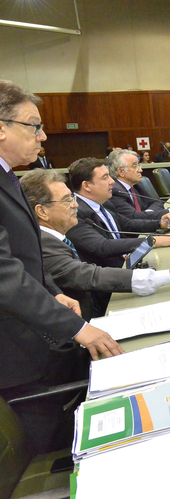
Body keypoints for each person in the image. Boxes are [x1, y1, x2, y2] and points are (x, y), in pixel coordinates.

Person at [0, 80, 122, 454]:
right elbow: (4, 274)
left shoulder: (9, 176)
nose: (43, 136)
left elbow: (26, 254)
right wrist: (78, 328)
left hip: (35, 335)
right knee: (55, 443)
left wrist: (54, 292)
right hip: (16, 355)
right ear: (1, 128)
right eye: (33, 126)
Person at [20, 169, 170, 320]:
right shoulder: (43, 244)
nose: (75, 205)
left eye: (72, 198)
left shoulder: (55, 236)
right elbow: (89, 275)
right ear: (42, 211)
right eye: (67, 200)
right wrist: (166, 276)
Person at [66, 158, 170, 270]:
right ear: (87, 186)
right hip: (110, 276)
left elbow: (127, 224)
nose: (112, 181)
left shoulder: (104, 203)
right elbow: (102, 246)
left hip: (129, 262)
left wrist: (160, 224)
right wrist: (152, 241)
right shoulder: (74, 213)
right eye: (105, 178)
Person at [107, 149, 170, 220]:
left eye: (139, 165)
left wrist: (147, 214)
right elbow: (135, 218)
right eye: (134, 166)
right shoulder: (114, 191)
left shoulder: (136, 185)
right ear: (121, 172)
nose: (140, 170)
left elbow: (157, 202)